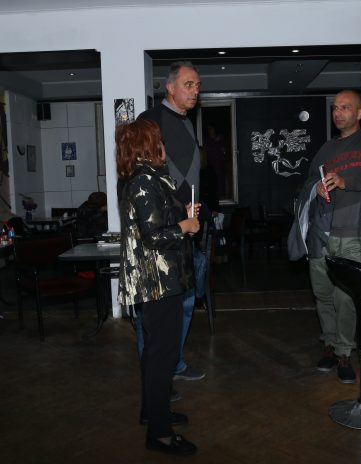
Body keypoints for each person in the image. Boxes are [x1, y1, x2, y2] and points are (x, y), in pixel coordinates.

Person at [289, 90, 361, 384]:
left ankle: (344, 353)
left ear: (359, 113)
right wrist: (316, 187)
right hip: (320, 231)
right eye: (335, 108)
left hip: (352, 231)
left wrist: (347, 181)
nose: (338, 112)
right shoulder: (326, 148)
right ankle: (329, 343)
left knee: (345, 298)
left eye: (345, 107)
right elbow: (308, 181)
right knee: (322, 294)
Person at [116, 118, 200, 455]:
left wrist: (183, 213)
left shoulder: (147, 178)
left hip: (160, 281)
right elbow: (153, 237)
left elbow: (156, 221)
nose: (164, 146)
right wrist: (185, 226)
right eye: (159, 140)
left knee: (155, 354)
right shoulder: (143, 181)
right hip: (157, 283)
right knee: (161, 356)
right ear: (149, 146)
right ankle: (161, 434)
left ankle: (153, 412)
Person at [137, 61, 206, 385]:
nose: (195, 91)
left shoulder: (187, 122)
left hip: (186, 227)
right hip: (163, 231)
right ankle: (155, 377)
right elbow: (142, 175)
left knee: (187, 302)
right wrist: (176, 210)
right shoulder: (151, 120)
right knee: (155, 312)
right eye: (188, 85)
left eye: (197, 86)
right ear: (170, 87)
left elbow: (185, 175)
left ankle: (173, 364)